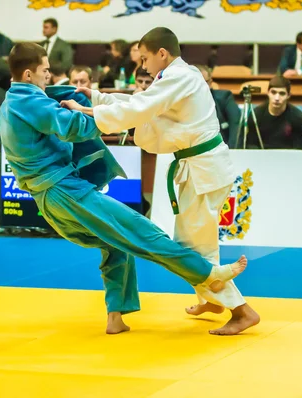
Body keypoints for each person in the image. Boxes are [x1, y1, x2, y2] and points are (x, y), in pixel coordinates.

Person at [0, 42, 247, 335]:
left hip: (49, 199)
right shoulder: (30, 101)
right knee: (140, 230)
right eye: (45, 71)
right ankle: (208, 273)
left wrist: (99, 104)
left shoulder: (11, 102)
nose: (49, 77)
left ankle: (115, 316)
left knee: (114, 243)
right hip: (64, 191)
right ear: (29, 74)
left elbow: (139, 104)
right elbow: (72, 126)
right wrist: (101, 116)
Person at [61, 27, 260, 335]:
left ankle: (241, 311)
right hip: (200, 168)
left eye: (145, 58)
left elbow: (141, 108)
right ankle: (213, 300)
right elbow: (144, 102)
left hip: (203, 170)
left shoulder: (179, 77)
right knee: (196, 242)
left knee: (190, 247)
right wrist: (98, 97)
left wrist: (88, 111)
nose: (143, 66)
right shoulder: (175, 77)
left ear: (162, 54)